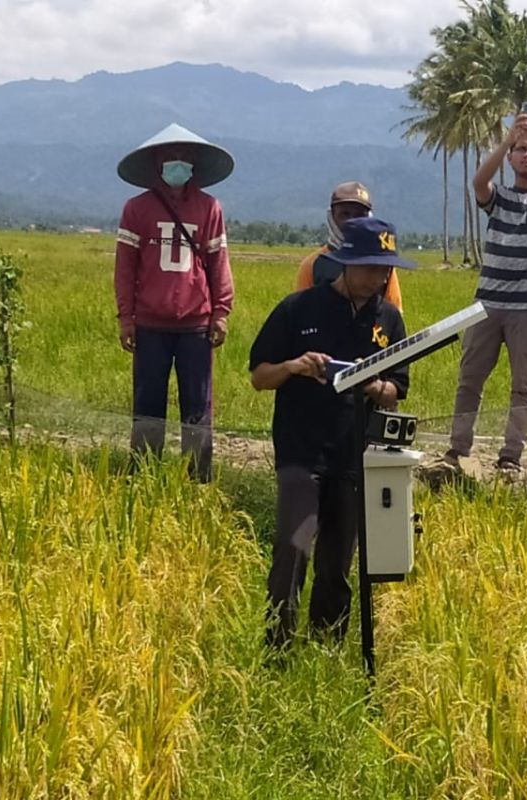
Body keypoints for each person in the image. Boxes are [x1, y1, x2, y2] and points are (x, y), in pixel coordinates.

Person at [249, 216, 413, 649]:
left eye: (387, 270)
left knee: (338, 562)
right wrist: (294, 366)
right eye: (372, 268)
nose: (380, 278)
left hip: (353, 456)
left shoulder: (390, 321)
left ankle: (328, 646)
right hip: (302, 453)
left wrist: (375, 386)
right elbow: (259, 376)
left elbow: (398, 388)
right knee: (293, 548)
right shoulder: (298, 309)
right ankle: (277, 645)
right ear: (345, 264)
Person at [445, 111, 527, 474]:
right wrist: (505, 140)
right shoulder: (498, 197)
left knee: (523, 386)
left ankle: (511, 455)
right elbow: (479, 182)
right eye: (521, 150)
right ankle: (457, 449)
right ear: (511, 158)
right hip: (488, 303)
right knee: (470, 378)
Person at [114, 123, 235, 482]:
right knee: (148, 408)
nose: (177, 164)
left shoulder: (209, 208)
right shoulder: (137, 210)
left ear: (195, 164)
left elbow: (219, 264)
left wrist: (221, 312)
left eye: (184, 158)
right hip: (150, 325)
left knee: (198, 407)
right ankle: (143, 474)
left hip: (195, 325)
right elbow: (125, 269)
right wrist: (126, 318)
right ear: (157, 164)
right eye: (170, 158)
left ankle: (198, 478)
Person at [293, 181, 403, 310]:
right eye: (345, 214)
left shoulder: (381, 265)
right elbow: (300, 313)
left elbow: (392, 314)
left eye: (360, 215)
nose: (352, 221)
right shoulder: (313, 264)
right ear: (332, 217)